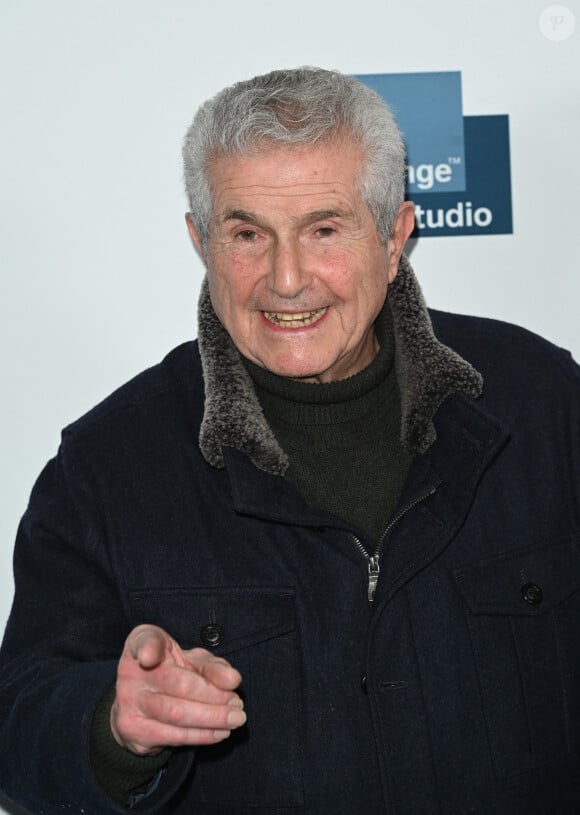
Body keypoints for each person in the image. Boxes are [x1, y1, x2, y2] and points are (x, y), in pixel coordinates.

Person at [0, 67, 579, 815]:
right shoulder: (110, 465)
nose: (287, 278)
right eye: (247, 235)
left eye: (324, 230)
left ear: (395, 235)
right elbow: (19, 728)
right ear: (200, 241)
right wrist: (113, 725)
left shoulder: (544, 403)